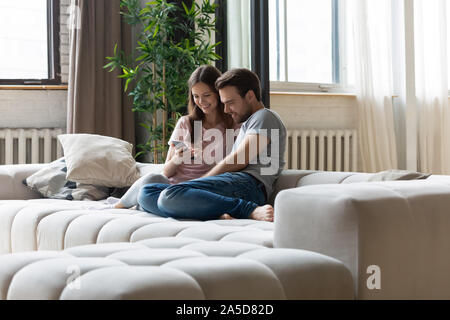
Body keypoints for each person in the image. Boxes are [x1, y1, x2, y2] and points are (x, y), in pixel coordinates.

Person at [137, 68, 287, 222]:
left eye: (230, 103)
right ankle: (215, 212)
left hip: (247, 184)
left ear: (249, 96)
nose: (226, 109)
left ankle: (249, 210)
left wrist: (199, 182)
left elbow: (239, 160)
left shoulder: (264, 116)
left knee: (169, 196)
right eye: (224, 104)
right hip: (232, 183)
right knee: (147, 192)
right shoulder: (248, 123)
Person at [112, 65, 238, 210]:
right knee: (153, 179)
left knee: (155, 199)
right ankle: (120, 206)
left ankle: (150, 206)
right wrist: (178, 158)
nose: (201, 101)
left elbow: (232, 169)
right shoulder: (185, 123)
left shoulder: (233, 127)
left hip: (203, 190)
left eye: (207, 95)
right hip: (172, 189)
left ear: (218, 93)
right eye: (196, 96)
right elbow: (166, 172)